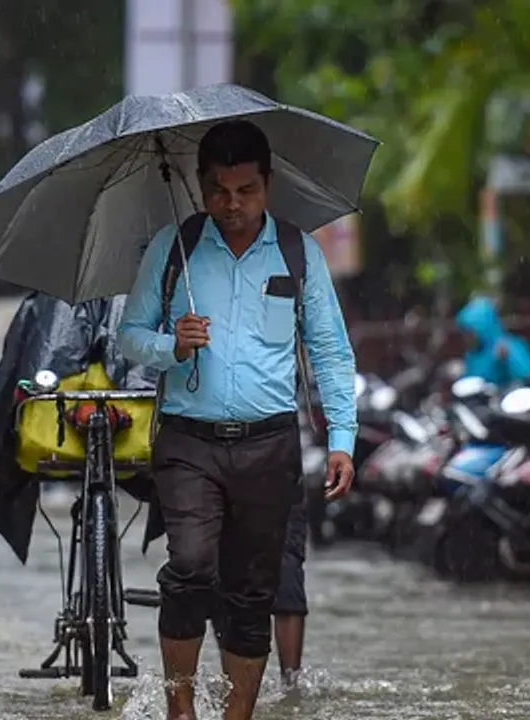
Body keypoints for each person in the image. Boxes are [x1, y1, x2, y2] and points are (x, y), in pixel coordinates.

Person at [119, 120, 357, 720]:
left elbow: (329, 350)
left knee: (253, 592)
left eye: (245, 190)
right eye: (220, 190)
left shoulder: (300, 253)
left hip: (269, 445)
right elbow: (130, 337)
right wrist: (171, 345)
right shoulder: (172, 251)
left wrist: (342, 439)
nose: (232, 204)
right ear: (201, 186)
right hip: (187, 442)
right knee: (192, 565)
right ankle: (180, 709)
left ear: (267, 186)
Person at [455, 296, 530, 387]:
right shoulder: (472, 355)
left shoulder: (509, 347)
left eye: (470, 333)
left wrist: (506, 363)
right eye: (464, 333)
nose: (466, 338)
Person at [271, 501, 310, 688]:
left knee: (287, 572)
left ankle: (291, 685)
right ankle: (234, 685)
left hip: (283, 480)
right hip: (219, 477)